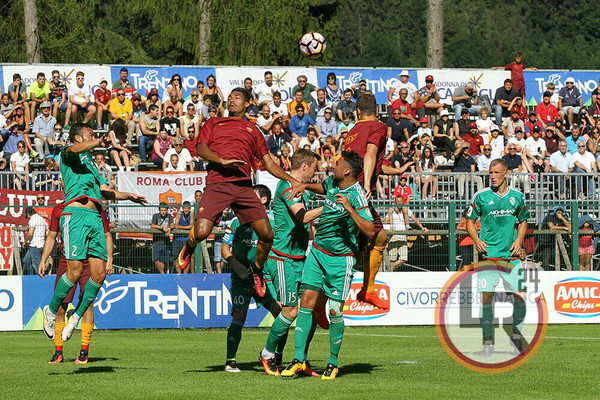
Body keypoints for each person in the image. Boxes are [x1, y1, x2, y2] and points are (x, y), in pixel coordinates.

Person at [175, 88, 300, 297]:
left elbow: (268, 161)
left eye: (237, 98)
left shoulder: (254, 130)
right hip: (218, 184)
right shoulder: (214, 123)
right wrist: (221, 160)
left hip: (243, 187)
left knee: (267, 235)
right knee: (202, 232)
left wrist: (291, 179)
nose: (232, 100)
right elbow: (202, 148)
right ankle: (189, 246)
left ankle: (257, 270)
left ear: (247, 104)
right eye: (230, 97)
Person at [41, 123, 146, 344]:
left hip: (95, 218)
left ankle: (75, 319)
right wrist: (99, 142)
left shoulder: (91, 164)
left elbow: (105, 190)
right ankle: (51, 311)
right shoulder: (68, 152)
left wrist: (128, 196)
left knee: (99, 275)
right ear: (78, 138)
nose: (93, 136)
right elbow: (73, 150)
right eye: (89, 134)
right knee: (75, 271)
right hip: (76, 215)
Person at [281, 151, 375, 380]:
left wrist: (351, 209)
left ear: (347, 171)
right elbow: (322, 188)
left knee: (334, 310)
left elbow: (371, 230)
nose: (333, 163)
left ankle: (332, 363)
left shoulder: (357, 195)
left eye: (338, 162)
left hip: (340, 260)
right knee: (306, 303)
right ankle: (298, 360)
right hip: (317, 253)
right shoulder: (333, 182)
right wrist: (304, 186)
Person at [257, 150, 324, 375]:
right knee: (290, 311)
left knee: (309, 310)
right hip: (282, 259)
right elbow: (302, 216)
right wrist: (330, 207)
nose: (315, 172)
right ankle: (267, 354)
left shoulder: (301, 190)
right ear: (304, 166)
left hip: (299, 258)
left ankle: (301, 360)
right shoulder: (286, 186)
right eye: (314, 167)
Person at [466, 158, 530, 356]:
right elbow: (469, 221)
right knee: (486, 298)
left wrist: (519, 241)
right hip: (489, 257)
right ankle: (487, 343)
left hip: (511, 257)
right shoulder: (481, 197)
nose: (492, 176)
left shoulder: (517, 197)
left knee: (519, 297)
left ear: (505, 174)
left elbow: (523, 221)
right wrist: (476, 240)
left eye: (496, 173)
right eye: (490, 173)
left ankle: (516, 338)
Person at [38, 201, 113, 364]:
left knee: (88, 304)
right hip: (67, 260)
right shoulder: (59, 209)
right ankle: (58, 352)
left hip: (90, 260)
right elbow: (51, 236)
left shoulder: (95, 208)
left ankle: (84, 352)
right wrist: (43, 259)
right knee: (60, 306)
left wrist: (109, 260)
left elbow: (107, 235)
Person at [223, 185, 282, 372]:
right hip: (241, 277)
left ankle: (274, 357)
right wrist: (237, 266)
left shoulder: (273, 222)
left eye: (253, 195)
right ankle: (230, 361)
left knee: (281, 315)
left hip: (264, 277)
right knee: (240, 315)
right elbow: (225, 249)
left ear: (263, 200)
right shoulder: (236, 221)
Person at [384, 196, 428, 271]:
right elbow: (385, 223)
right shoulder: (391, 211)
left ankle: (390, 270)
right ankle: (391, 274)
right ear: (394, 202)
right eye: (397, 201)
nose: (399, 203)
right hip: (393, 237)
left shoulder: (406, 211)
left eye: (400, 201)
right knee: (392, 259)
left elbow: (415, 219)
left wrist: (422, 227)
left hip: (403, 237)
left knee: (404, 258)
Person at [22, 206, 48, 275]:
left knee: (36, 266)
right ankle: (31, 277)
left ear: (28, 214)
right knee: (26, 260)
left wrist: (25, 241)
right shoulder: (42, 219)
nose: (28, 218)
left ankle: (40, 281)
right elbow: (47, 231)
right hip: (41, 244)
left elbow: (30, 233)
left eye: (27, 216)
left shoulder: (32, 219)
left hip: (35, 245)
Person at [171, 202, 194, 273]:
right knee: (176, 257)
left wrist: (179, 227)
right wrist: (186, 228)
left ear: (190, 208)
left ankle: (185, 274)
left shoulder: (191, 214)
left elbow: (191, 225)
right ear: (182, 208)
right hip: (178, 239)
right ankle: (179, 273)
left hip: (187, 239)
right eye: (184, 208)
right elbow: (176, 225)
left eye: (187, 208)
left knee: (187, 258)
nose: (186, 210)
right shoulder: (179, 214)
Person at [151, 204, 173, 273]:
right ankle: (162, 273)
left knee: (164, 259)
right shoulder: (155, 216)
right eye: (161, 210)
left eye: (164, 210)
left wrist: (169, 229)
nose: (163, 212)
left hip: (166, 241)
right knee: (156, 259)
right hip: (157, 241)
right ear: (159, 210)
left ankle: (163, 272)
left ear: (167, 211)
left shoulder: (169, 216)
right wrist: (162, 228)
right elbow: (152, 225)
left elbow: (172, 224)